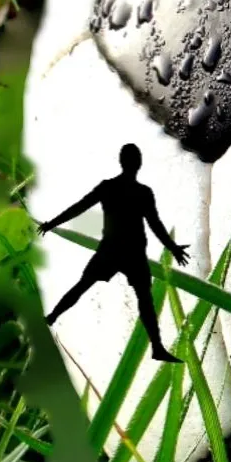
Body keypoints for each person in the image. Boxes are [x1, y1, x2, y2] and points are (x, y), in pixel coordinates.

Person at [37, 143, 190, 363]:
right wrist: (172, 247)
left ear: (122, 162)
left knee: (84, 285)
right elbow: (154, 224)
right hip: (131, 250)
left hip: (114, 248)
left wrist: (52, 223)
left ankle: (51, 318)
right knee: (143, 300)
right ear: (138, 163)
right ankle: (156, 347)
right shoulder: (141, 192)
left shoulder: (110, 187)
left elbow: (79, 207)